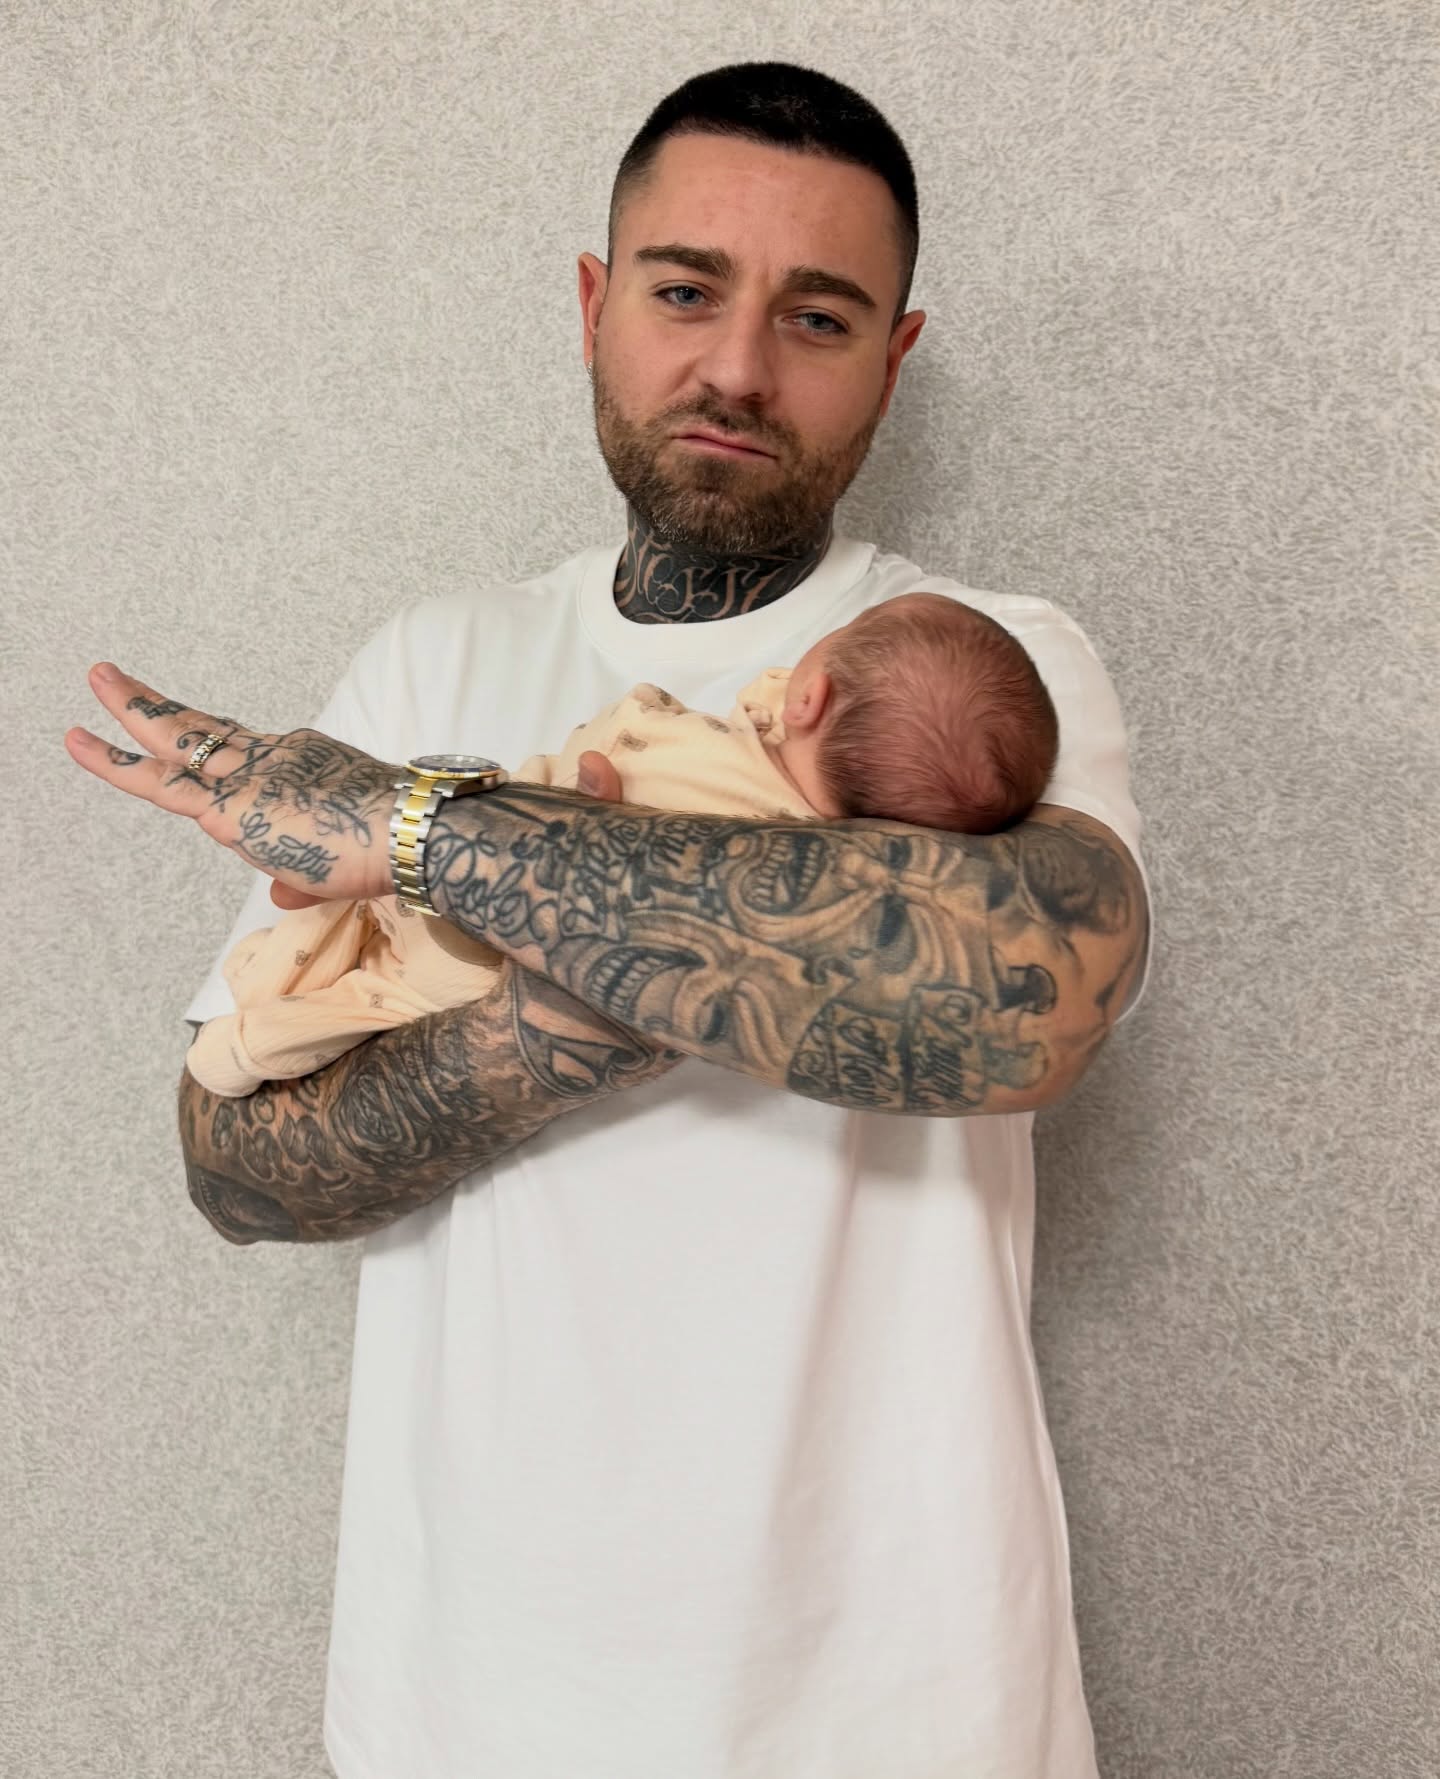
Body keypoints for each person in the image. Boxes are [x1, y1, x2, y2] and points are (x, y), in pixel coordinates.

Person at [73, 60, 1152, 1779]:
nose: (737, 367)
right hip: (470, 1704)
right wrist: (580, 1010)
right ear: (594, 304)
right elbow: (236, 1166)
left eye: (818, 316)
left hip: (900, 1708)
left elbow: (1024, 999)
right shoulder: (434, 655)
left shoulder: (982, 663)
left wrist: (422, 827)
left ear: (895, 358)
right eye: (684, 290)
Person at [185, 592, 1060, 1098]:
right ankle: (264, 1020)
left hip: (481, 931)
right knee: (383, 982)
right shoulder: (810, 856)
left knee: (377, 964)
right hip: (472, 930)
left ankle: (251, 1032)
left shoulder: (772, 723)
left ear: (809, 697)